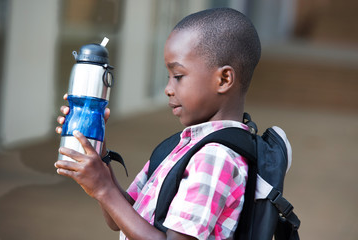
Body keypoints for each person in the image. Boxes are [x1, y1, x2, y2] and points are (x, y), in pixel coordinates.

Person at [55, 7, 261, 240]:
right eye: (168, 77)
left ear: (223, 79)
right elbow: (120, 218)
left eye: (179, 76)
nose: (168, 89)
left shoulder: (215, 157)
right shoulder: (183, 145)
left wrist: (104, 188)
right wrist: (100, 156)